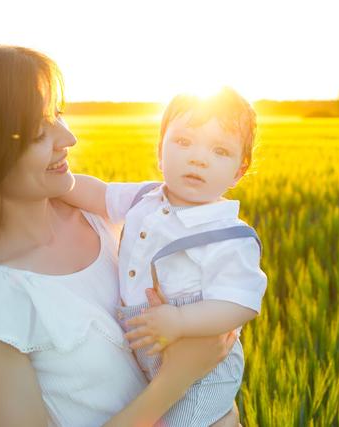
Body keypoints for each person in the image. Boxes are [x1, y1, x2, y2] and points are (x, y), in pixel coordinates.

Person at [0, 41, 239, 426]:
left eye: (57, 114)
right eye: (36, 132)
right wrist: (176, 379)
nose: (67, 138)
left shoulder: (99, 216)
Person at [59, 87, 267, 426]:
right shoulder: (145, 197)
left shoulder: (230, 235)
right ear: (160, 151)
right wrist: (58, 185)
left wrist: (181, 321)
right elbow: (99, 193)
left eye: (219, 150)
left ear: (238, 172)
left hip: (201, 368)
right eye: (184, 142)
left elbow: (241, 303)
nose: (199, 158)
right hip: (149, 351)